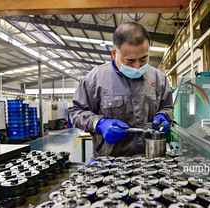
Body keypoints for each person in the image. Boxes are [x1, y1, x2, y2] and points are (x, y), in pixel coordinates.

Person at [68, 22, 174, 158]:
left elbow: (168, 107)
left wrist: (164, 116)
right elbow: (76, 112)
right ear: (114, 54)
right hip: (110, 161)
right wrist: (99, 123)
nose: (137, 67)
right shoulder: (95, 79)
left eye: (143, 59)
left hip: (150, 159)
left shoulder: (159, 79)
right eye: (129, 61)